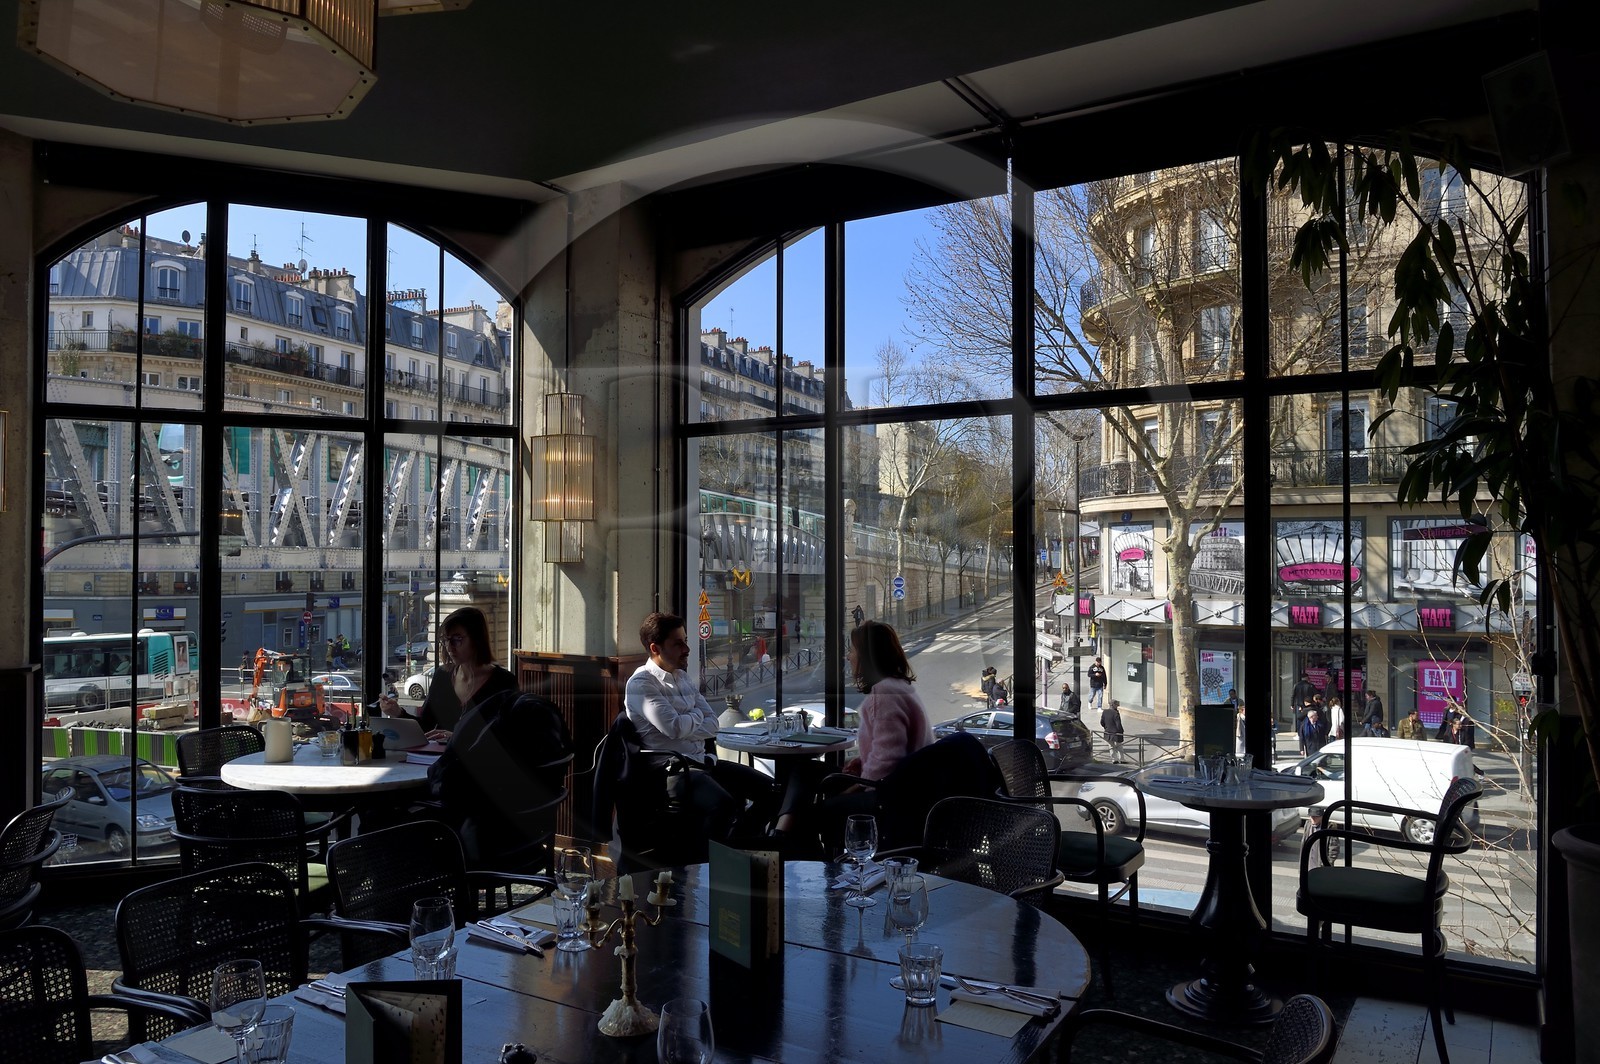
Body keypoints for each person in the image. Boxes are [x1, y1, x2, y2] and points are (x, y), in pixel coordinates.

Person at [626, 611, 778, 844]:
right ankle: (703, 864)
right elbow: (675, 728)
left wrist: (689, 718)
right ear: (655, 649)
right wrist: (695, 715)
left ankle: (736, 847)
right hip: (670, 772)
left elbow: (713, 723)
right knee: (723, 805)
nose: (686, 649)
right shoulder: (641, 684)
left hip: (702, 763)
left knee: (772, 791)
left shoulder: (683, 678)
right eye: (678, 644)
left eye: (685, 641)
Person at [775, 620, 934, 840]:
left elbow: (886, 765)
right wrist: (860, 763)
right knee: (805, 771)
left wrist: (847, 791)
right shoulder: (898, 686)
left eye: (852, 650)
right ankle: (780, 834)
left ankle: (787, 845)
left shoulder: (884, 694)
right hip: (901, 787)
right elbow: (889, 751)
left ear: (868, 656)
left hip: (889, 796)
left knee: (813, 814)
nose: (848, 657)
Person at [426, 687, 573, 870]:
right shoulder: (444, 677)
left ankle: (416, 893)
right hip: (525, 840)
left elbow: (448, 786)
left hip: (489, 845)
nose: (449, 655)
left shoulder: (501, 686)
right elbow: (426, 723)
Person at [378, 605, 517, 743]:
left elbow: (509, 737)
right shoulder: (442, 676)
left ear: (477, 639)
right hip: (440, 761)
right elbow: (426, 726)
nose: (449, 647)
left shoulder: (504, 681)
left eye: (457, 639)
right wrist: (398, 713)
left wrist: (457, 738)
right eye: (445, 640)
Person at [1100, 697, 1126, 764]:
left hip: (1108, 732)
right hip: (1116, 733)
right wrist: (1121, 731)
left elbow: (1102, 722)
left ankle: (1114, 759)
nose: (1117, 706)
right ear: (1113, 705)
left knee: (1111, 746)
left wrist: (1106, 727)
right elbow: (1118, 724)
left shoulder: (1105, 712)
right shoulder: (1115, 713)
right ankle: (1122, 759)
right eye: (1117, 705)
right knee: (1119, 746)